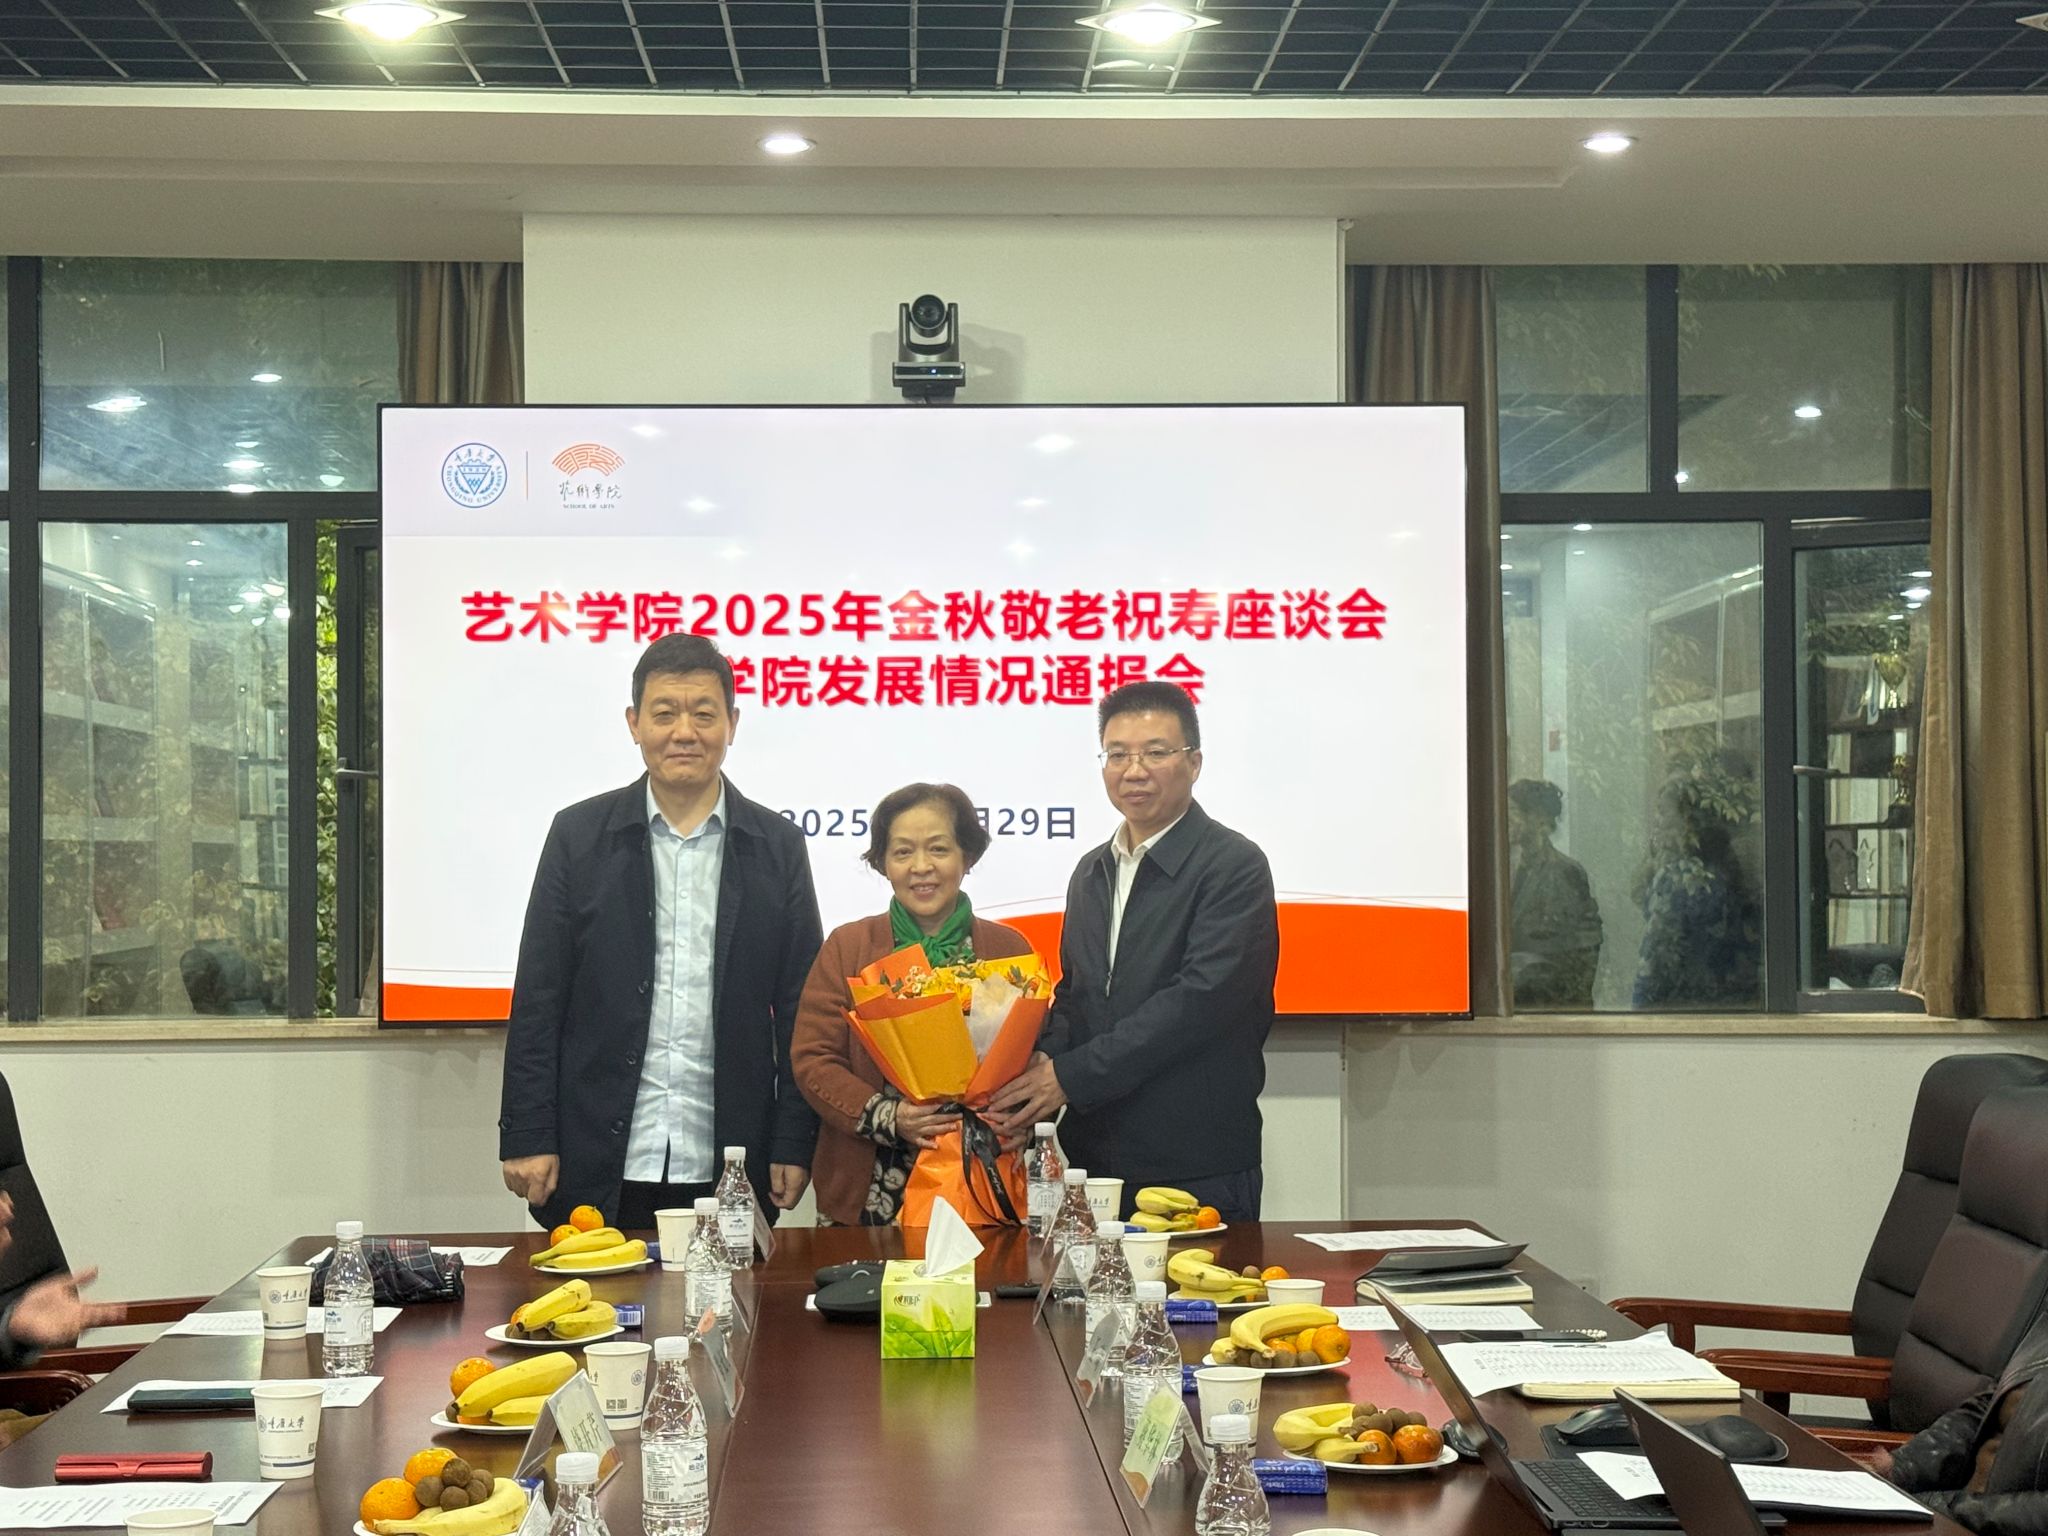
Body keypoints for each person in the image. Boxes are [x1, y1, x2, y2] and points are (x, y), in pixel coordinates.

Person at [498, 633, 823, 1232]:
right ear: (634, 724)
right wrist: (528, 1131)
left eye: (704, 714)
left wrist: (794, 1139)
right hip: (599, 1147)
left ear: (732, 724)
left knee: (730, 1293)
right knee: (595, 1291)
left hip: (731, 1153)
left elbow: (804, 1007)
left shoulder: (777, 847)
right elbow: (539, 996)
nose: (684, 732)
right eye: (665, 713)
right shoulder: (578, 836)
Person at [987, 681, 1278, 1224]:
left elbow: (1199, 1002)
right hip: (1094, 1156)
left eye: (1155, 752)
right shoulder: (1091, 871)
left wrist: (1069, 1077)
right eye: (1117, 754)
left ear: (1194, 763)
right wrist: (1041, 1063)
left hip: (1196, 1158)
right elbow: (1077, 994)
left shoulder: (1233, 865)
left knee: (1203, 1285)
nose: (1134, 770)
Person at [791, 783, 1034, 1227]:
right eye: (902, 852)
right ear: (883, 863)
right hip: (869, 1189)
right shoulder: (849, 947)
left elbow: (1035, 1059)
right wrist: (890, 1116)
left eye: (938, 849)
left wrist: (1018, 1119)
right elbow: (813, 1059)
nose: (921, 867)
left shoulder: (1008, 949)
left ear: (967, 856)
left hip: (981, 1179)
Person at [1881, 1304, 2048, 1533]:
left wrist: (1943, 1508)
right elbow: (1984, 1408)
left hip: (1981, 1522)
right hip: (1962, 1512)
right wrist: (1902, 1467)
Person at [1632, 766, 1762, 1009]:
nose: (1657, 821)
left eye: (1663, 811)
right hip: (1729, 1000)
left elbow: (1655, 958)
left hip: (1679, 1002)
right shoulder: (1725, 867)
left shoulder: (1677, 879)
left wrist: (1638, 1010)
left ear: (1687, 820)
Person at [1506, 778, 1602, 1009]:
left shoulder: (1565, 872)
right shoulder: (1506, 866)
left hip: (1551, 1006)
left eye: (1513, 811)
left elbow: (1581, 951)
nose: (1506, 819)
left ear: (1538, 818)